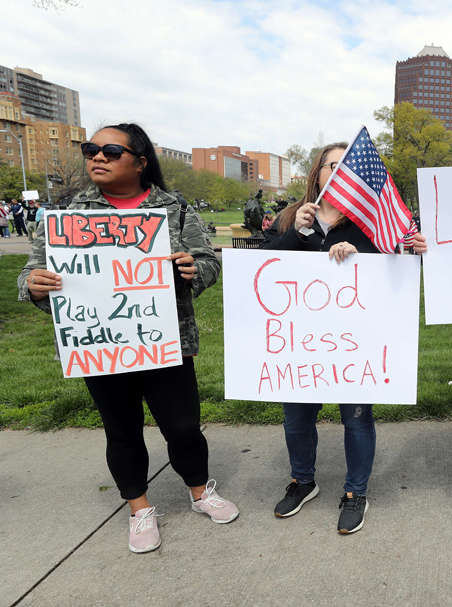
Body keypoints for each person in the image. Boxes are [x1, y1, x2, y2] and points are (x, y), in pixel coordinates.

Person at [18, 123, 239, 553]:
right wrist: (34, 285)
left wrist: (194, 270)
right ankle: (139, 508)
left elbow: (209, 262)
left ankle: (199, 491)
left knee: (183, 426)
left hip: (165, 341)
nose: (97, 157)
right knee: (121, 430)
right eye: (91, 149)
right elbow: (30, 272)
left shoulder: (172, 208)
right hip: (100, 344)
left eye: (110, 150)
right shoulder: (68, 215)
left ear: (139, 162)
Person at [262, 143, 427, 534]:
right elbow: (264, 265)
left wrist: (359, 255)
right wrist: (299, 232)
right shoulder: (292, 217)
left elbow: (391, 269)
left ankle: (356, 492)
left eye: (346, 165)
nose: (339, 172)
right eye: (331, 165)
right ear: (317, 174)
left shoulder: (368, 222)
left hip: (354, 344)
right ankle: (303, 481)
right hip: (301, 342)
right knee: (296, 418)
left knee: (356, 416)